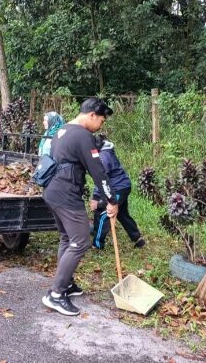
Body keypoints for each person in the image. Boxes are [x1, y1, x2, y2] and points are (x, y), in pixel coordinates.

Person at [41, 98, 118, 316]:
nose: (102, 125)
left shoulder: (63, 130)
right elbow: (98, 172)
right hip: (66, 193)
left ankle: (66, 284)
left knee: (67, 238)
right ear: (92, 115)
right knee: (80, 240)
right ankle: (55, 294)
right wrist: (112, 201)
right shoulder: (84, 136)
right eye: (102, 120)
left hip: (52, 190)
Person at [89, 135, 145, 249]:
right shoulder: (104, 152)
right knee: (122, 213)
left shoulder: (103, 157)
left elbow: (101, 178)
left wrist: (95, 197)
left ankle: (97, 244)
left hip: (118, 187)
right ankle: (137, 238)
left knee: (103, 211)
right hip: (121, 185)